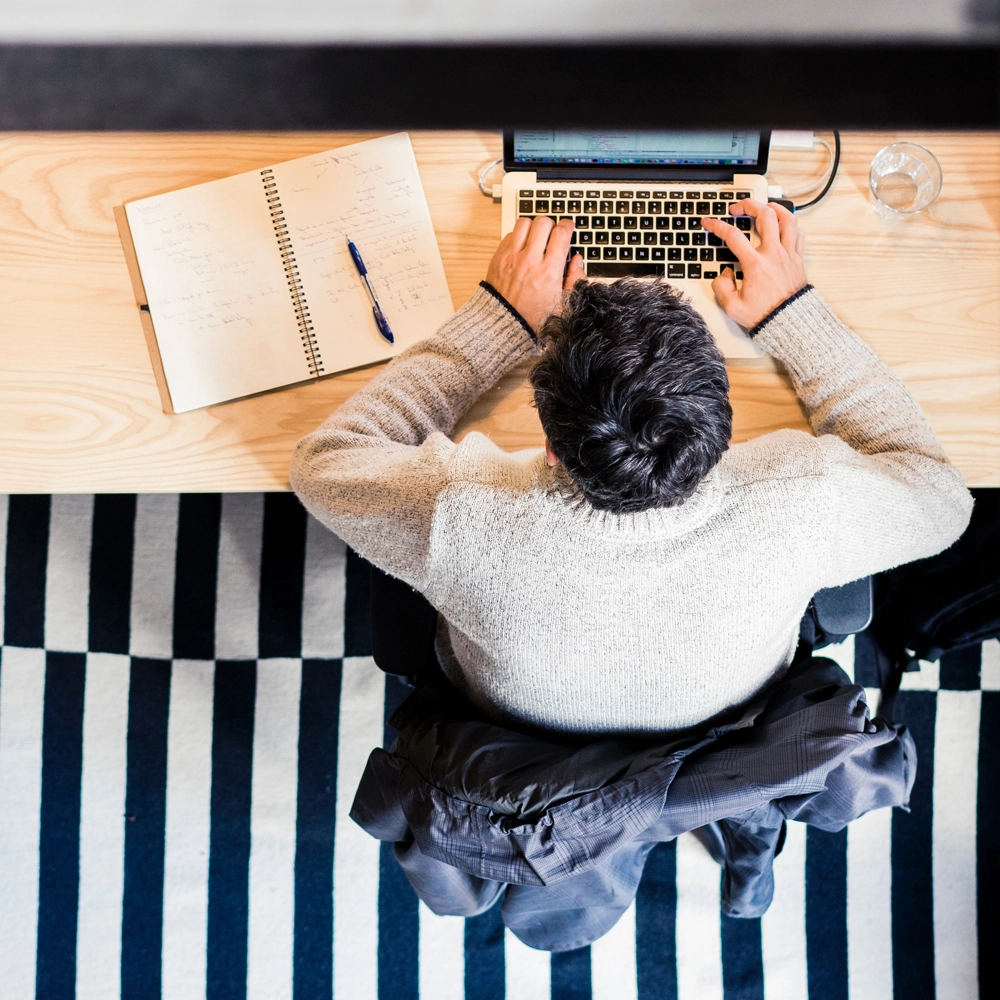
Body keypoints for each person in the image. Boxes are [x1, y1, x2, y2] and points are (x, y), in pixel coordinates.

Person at [290, 201, 972, 736]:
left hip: (513, 741)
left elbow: (326, 461)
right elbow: (940, 494)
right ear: (721, 427)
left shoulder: (465, 511)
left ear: (551, 448)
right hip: (724, 737)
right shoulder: (798, 501)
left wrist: (499, 320)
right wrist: (793, 315)